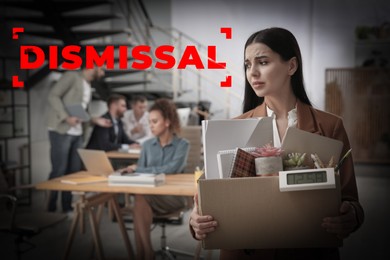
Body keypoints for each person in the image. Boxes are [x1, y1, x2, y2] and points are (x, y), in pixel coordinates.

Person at [189, 27, 364, 259]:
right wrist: (196, 220)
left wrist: (351, 214)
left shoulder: (329, 127)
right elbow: (207, 199)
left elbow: (350, 199)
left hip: (308, 251)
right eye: (247, 65)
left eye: (262, 62)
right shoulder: (230, 128)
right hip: (246, 252)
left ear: (291, 66)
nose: (253, 73)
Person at [122, 98, 189, 260]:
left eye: (154, 121)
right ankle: (146, 253)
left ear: (167, 122)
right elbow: (141, 176)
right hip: (148, 196)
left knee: (140, 197)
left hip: (173, 197)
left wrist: (140, 169)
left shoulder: (182, 144)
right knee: (140, 196)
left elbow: (172, 170)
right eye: (149, 121)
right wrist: (137, 171)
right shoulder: (146, 146)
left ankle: (144, 254)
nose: (150, 125)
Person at [46, 66, 111, 213]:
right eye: (101, 68)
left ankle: (66, 207)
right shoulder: (71, 76)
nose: (103, 72)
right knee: (59, 170)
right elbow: (53, 95)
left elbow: (82, 112)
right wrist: (65, 117)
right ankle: (50, 209)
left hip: (77, 133)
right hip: (61, 130)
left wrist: (95, 120)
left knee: (73, 171)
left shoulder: (87, 85)